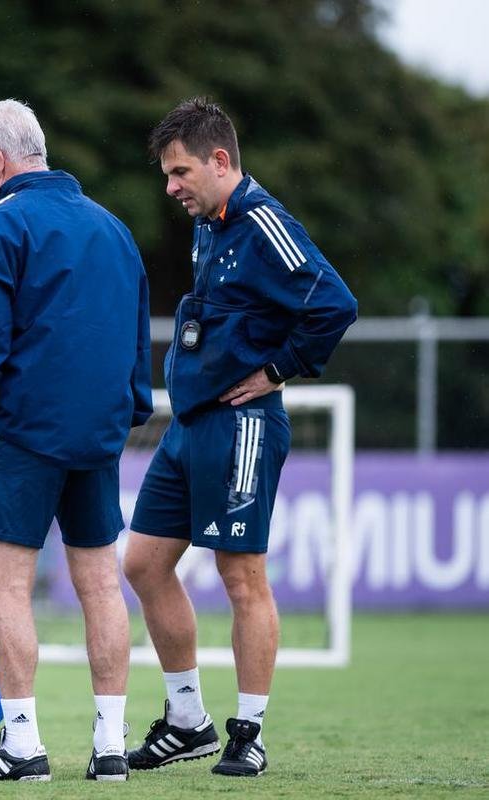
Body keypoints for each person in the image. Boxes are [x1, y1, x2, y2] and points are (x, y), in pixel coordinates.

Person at [124, 98, 357, 777]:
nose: (171, 187)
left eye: (179, 171)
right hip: (191, 421)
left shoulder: (263, 223)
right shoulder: (209, 223)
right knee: (140, 563)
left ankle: (246, 732)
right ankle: (185, 720)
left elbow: (334, 303)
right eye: (168, 174)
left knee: (240, 575)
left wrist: (278, 371)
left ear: (219, 161)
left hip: (242, 425)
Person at [0, 100, 152, 783]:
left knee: (2, 583)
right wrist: (131, 409)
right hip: (98, 430)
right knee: (99, 583)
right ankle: (111, 745)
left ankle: (23, 744)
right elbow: (135, 327)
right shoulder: (113, 226)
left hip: (21, 428)